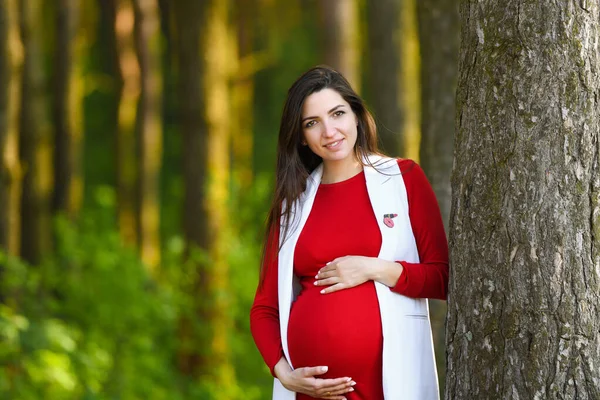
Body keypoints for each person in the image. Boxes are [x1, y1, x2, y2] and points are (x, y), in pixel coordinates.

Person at [250, 65, 449, 400]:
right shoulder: (292, 206)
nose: (329, 131)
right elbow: (265, 309)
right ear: (301, 137)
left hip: (387, 385)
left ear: (355, 115)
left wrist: (373, 268)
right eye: (312, 123)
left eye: (337, 113)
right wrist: (285, 374)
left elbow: (441, 278)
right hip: (310, 392)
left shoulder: (403, 179)